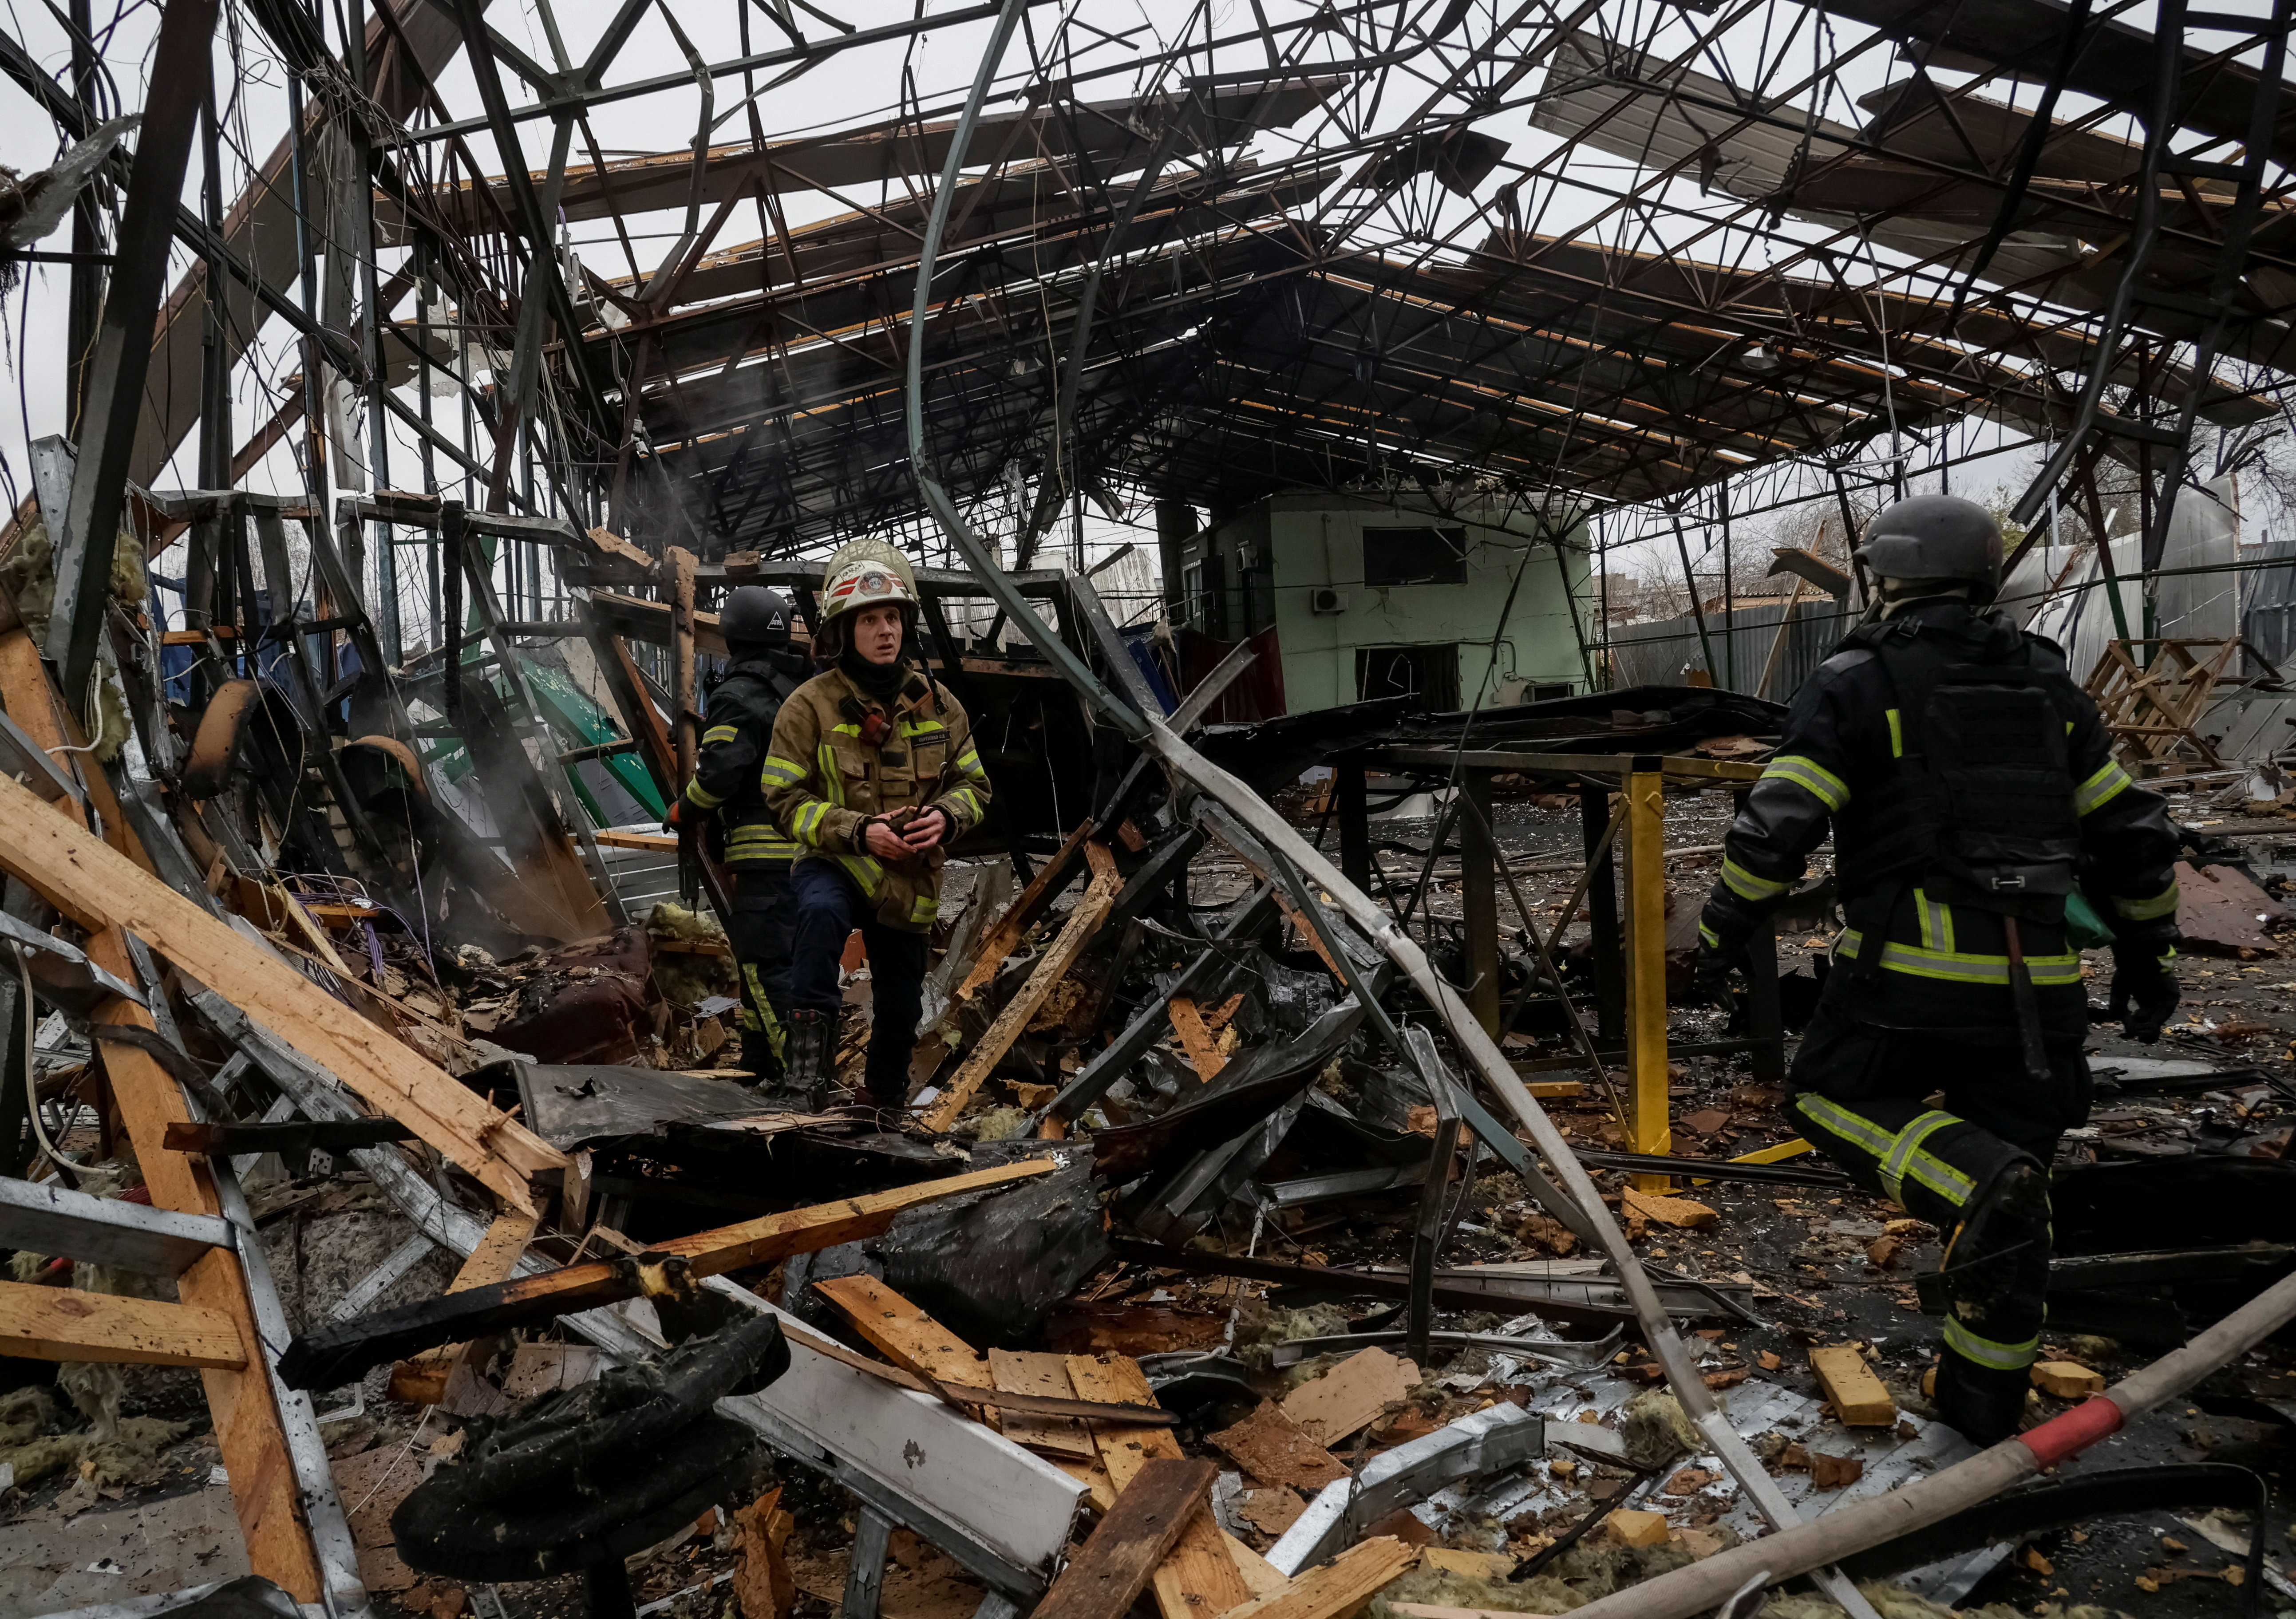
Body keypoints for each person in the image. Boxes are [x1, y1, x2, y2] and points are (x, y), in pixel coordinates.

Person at [1693, 494, 2181, 1445]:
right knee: (2016, 1225)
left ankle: (1969, 1182)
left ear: (1886, 578)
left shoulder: (1858, 678)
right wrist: (2149, 956)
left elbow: (1779, 823)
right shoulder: (2046, 680)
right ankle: (1979, 1407)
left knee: (1824, 1101)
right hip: (2038, 999)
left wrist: (1721, 926)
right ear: (1984, 579)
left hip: (1902, 986)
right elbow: (2132, 834)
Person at [763, 539, 992, 1119]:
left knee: (899, 1002)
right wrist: (859, 832)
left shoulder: (942, 708)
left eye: (892, 616)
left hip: (907, 876)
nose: (885, 630)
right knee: (819, 917)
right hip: (837, 860)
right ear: (843, 630)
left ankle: (882, 1102)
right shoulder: (807, 708)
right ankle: (805, 1081)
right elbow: (784, 798)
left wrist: (947, 816)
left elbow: (975, 788)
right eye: (870, 619)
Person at [662, 586, 813, 1085]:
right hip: (811, 852)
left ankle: (801, 1074)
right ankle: (760, 1064)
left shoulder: (738, 695)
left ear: (732, 634)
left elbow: (721, 774)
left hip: (764, 857)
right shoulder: (802, 687)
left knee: (763, 968)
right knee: (788, 963)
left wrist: (684, 810)